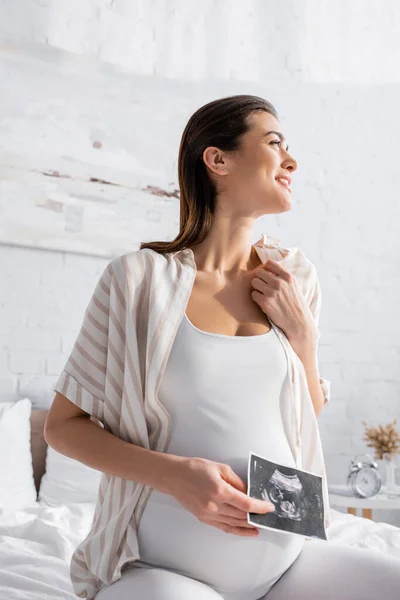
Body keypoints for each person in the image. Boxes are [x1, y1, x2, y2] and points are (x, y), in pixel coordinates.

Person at [44, 95, 400, 600]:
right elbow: (62, 428)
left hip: (288, 562)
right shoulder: (139, 281)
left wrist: (304, 337)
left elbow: (302, 418)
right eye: (275, 143)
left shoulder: (292, 278)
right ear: (218, 160)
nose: (292, 161)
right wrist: (178, 476)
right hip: (165, 571)